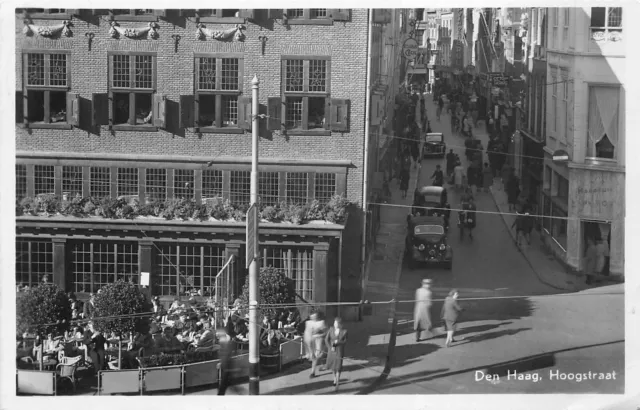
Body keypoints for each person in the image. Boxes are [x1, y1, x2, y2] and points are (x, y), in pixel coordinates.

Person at [324, 317, 348, 390]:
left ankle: (337, 382)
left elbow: (345, 341)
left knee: (338, 367)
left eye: (336, 323)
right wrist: (329, 347)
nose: (335, 324)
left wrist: (339, 342)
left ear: (340, 324)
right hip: (332, 351)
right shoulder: (331, 329)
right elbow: (326, 339)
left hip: (339, 350)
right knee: (333, 367)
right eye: (334, 322)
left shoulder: (344, 331)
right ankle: (334, 378)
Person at [303, 312, 326, 378]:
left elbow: (326, 332)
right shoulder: (308, 323)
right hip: (311, 341)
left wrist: (320, 334)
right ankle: (314, 371)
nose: (313, 318)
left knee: (318, 355)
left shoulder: (321, 322)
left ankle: (314, 370)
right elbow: (307, 334)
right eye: (312, 316)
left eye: (315, 316)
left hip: (319, 341)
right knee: (315, 356)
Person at [216, 330, 236, 395]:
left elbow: (225, 354)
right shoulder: (224, 342)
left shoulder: (224, 343)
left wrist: (221, 362)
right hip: (226, 365)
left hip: (226, 365)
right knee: (225, 383)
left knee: (223, 384)